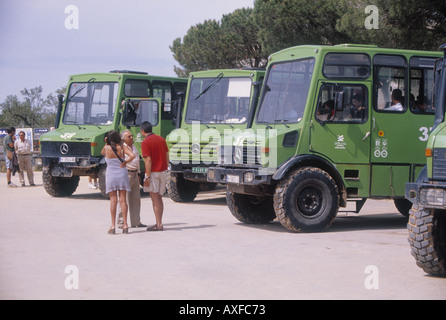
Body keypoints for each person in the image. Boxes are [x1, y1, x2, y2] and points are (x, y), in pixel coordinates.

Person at [101, 130, 135, 235]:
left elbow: (102, 153)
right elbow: (132, 155)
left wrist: (106, 142)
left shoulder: (106, 148)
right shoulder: (122, 147)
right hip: (122, 173)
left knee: (113, 201)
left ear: (107, 139)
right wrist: (125, 162)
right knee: (123, 200)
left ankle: (112, 226)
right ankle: (125, 225)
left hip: (111, 174)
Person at [140, 121, 169, 231]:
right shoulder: (161, 139)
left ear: (143, 131)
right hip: (163, 171)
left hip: (153, 172)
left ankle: (159, 224)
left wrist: (147, 176)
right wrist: (166, 168)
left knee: (155, 198)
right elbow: (167, 154)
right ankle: (159, 222)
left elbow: (148, 160)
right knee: (159, 198)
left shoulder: (145, 142)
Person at [117, 130, 146, 228]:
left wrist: (138, 173)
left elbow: (137, 160)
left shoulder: (134, 147)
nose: (132, 137)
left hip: (134, 174)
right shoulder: (121, 148)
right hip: (126, 174)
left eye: (132, 135)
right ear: (123, 139)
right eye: (129, 136)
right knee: (123, 199)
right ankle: (121, 222)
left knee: (136, 198)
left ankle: (136, 221)